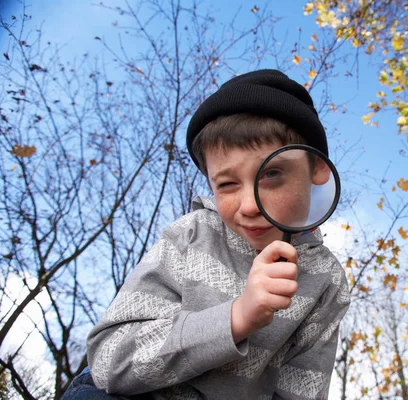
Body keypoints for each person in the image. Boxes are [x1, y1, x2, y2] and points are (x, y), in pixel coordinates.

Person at [62, 69, 350, 400]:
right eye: (227, 184)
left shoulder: (327, 282)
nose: (249, 205)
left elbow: (300, 393)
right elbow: (109, 361)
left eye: (271, 174)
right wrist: (235, 318)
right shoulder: (191, 235)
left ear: (318, 169)